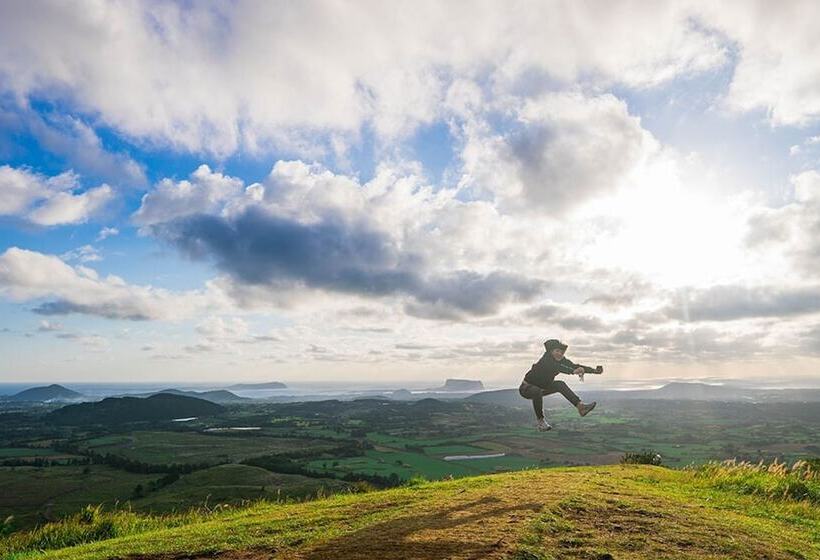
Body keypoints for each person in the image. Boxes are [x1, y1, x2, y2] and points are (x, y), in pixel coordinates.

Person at [519, 339, 600, 431]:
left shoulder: (561, 359)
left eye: (561, 352)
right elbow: (557, 367)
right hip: (526, 388)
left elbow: (574, 366)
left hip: (542, 388)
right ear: (551, 351)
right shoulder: (546, 359)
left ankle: (581, 407)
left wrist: (594, 371)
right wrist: (573, 371)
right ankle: (541, 423)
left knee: (560, 385)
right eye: (557, 351)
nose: (560, 353)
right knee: (536, 390)